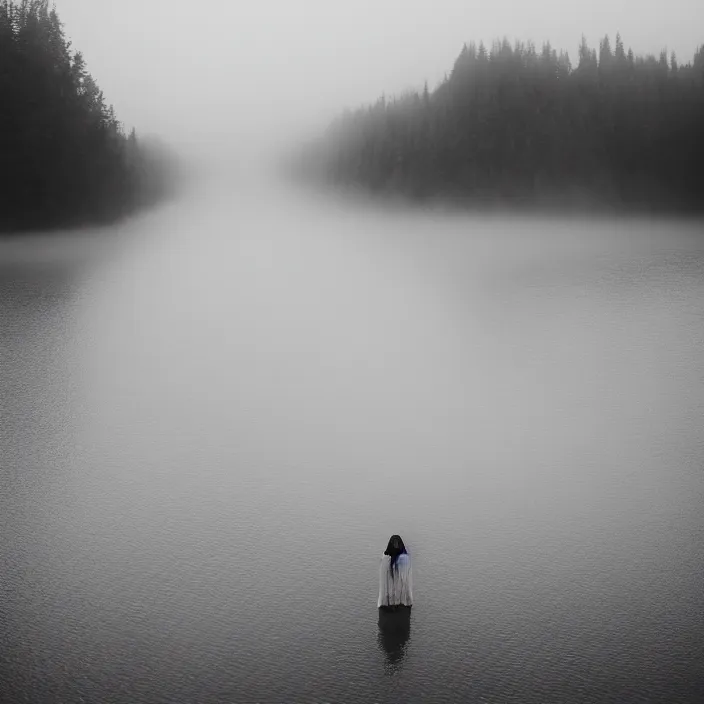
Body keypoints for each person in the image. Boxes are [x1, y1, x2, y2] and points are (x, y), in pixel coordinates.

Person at [377, 534, 413, 610]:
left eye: (397, 543)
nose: (396, 545)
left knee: (399, 587)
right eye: (394, 543)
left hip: (398, 579)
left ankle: (397, 603)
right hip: (392, 579)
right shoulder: (386, 557)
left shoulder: (403, 557)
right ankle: (394, 604)